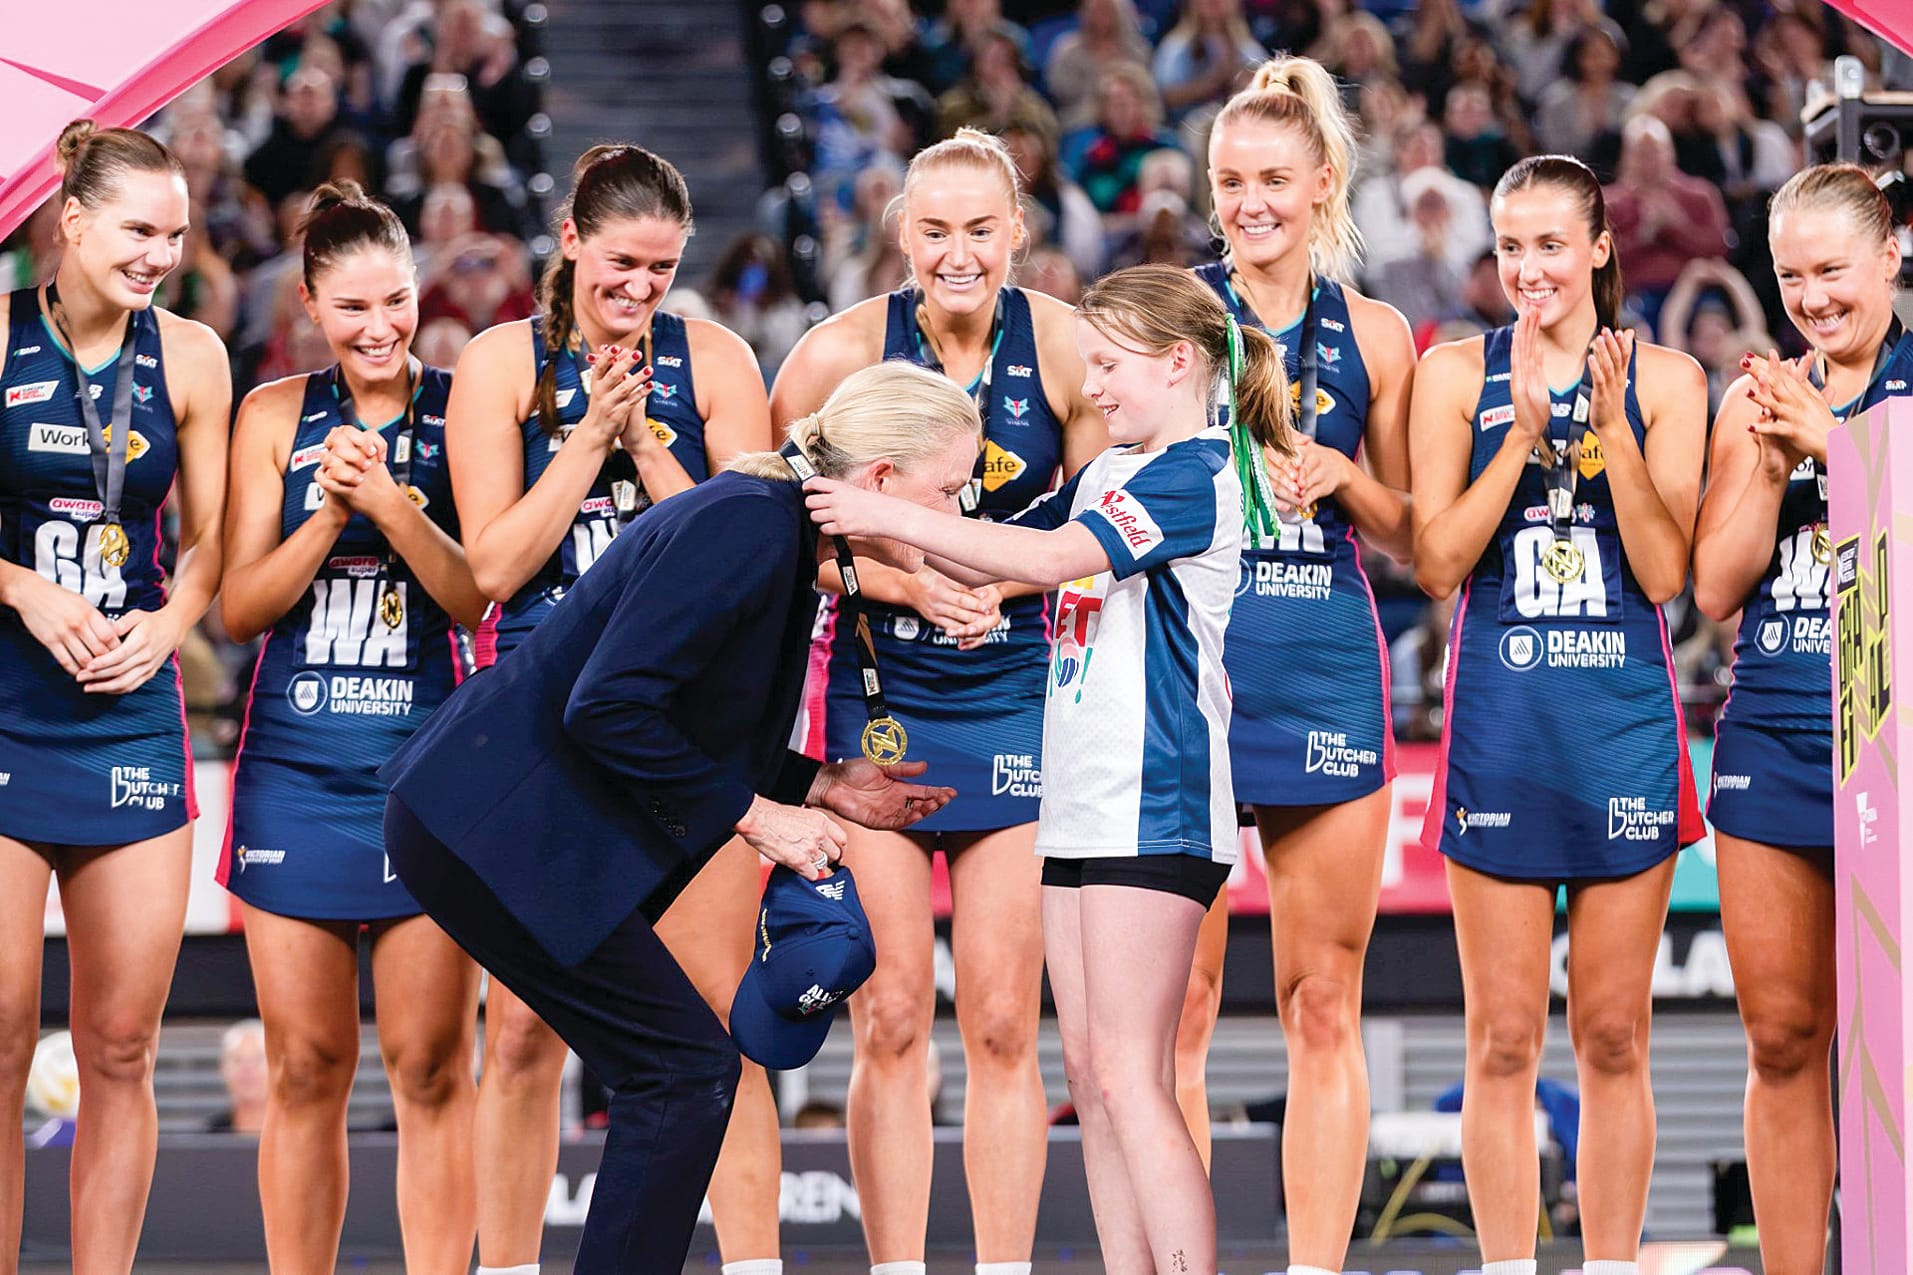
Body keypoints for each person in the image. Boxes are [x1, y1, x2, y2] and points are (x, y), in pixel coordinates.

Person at [380, 360, 966, 1273]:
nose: (958, 515)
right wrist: (760, 816)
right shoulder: (748, 523)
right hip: (488, 830)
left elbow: (678, 713)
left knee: (679, 1070)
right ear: (881, 481)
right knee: (682, 1070)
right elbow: (608, 706)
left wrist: (818, 785)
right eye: (950, 489)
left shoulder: (771, 526)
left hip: (506, 830)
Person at [804, 262, 1291, 1275]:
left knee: (1130, 1078)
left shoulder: (1198, 470)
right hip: (1080, 801)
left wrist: (877, 516)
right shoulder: (1112, 469)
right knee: (1091, 1077)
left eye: (1108, 365)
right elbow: (990, 552)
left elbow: (1046, 562)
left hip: (1152, 798)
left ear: (1177, 362)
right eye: (1086, 365)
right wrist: (862, 522)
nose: (1092, 386)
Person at [770, 126, 1104, 1275]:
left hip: (1014, 701)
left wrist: (997, 583)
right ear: (899, 235)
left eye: (979, 230)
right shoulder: (833, 354)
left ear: (1017, 232)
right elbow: (775, 536)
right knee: (893, 1014)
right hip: (879, 708)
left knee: (1005, 1024)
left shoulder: (1063, 347)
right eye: (933, 231)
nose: (957, 254)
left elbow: (1097, 533)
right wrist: (909, 583)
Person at [443, 142, 779, 1275]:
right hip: (542, 727)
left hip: (678, 723)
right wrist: (588, 438)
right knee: (521, 1032)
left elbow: (751, 555)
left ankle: (751, 1265)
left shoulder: (716, 361)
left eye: (661, 268)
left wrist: (643, 441)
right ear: (570, 240)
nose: (639, 287)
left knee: (713, 1009)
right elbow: (493, 566)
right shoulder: (499, 362)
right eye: (621, 262)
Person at [1410, 154, 1708, 1275]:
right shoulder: (1453, 373)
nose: (1528, 268)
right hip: (1501, 731)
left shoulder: (1667, 378)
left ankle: (1610, 1264)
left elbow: (1664, 573)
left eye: (1549, 244)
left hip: (1622, 731)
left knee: (1613, 1036)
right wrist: (1517, 442)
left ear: (1597, 248)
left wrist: (1611, 432)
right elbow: (1436, 563)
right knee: (1500, 1039)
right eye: (1509, 246)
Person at [217, 181, 487, 1273]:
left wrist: (389, 505)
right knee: (306, 1067)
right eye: (352, 308)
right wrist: (329, 513)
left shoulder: (468, 407)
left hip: (431, 773)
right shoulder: (272, 415)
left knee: (431, 1066)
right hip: (295, 775)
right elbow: (239, 608)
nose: (379, 328)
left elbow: (475, 595)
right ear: (309, 307)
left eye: (396, 301)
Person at [1182, 56, 1418, 1273]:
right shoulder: (1165, 314)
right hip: (1188, 671)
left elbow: (1419, 537)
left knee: (1320, 1002)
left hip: (1322, 665)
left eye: (1272, 179)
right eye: (1230, 181)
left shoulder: (1374, 332)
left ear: (1322, 179)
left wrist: (1343, 480)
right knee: (1179, 1009)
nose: (1249, 202)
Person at [0, 120, 231, 1272]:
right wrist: (19, 587)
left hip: (129, 710)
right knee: (0, 1041)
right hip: (5, 704)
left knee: (123, 1044)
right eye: (139, 230)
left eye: (174, 235)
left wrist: (171, 624)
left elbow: (211, 545)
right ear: (73, 219)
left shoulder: (191, 354)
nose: (159, 255)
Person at [1692, 163, 1913, 1275]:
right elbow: (1714, 587)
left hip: (1896, 742)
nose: (1813, 298)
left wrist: (1837, 446)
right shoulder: (1757, 398)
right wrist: (1773, 463)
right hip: (1772, 734)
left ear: (1889, 255)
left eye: (1832, 270)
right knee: (1782, 1039)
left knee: (1898, 1044)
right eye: (1790, 278)